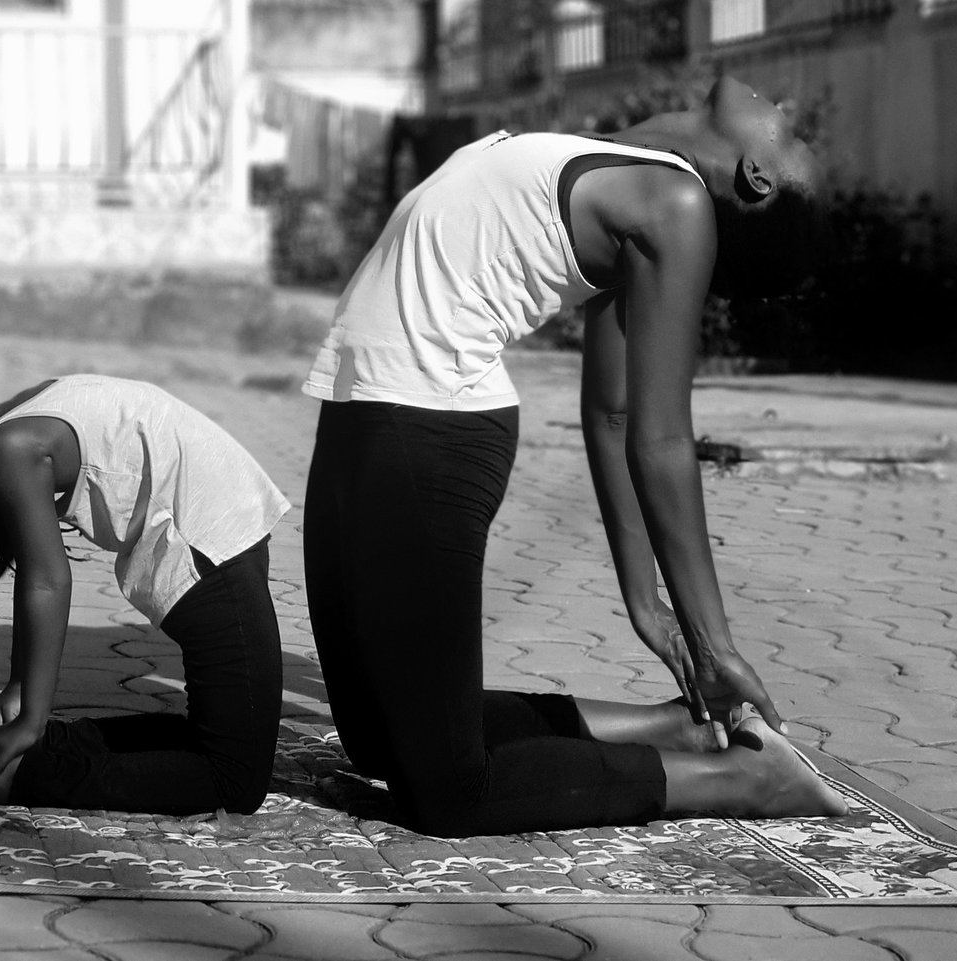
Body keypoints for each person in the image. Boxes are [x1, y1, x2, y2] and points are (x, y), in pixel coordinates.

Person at [301, 75, 848, 837]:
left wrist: (713, 641)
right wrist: (641, 598)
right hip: (365, 406)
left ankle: (744, 776)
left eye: (792, 138)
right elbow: (609, 410)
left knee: (449, 793)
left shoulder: (677, 206)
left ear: (756, 176)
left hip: (429, 427)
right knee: (371, 734)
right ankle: (680, 730)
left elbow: (659, 435)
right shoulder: (629, 169)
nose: (787, 107)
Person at [0, 374, 290, 816]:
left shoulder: (6, 432)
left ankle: (10, 746)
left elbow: (41, 578)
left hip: (213, 533)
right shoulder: (7, 445)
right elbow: (47, 579)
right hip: (209, 547)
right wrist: (28, 714)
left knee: (208, 740)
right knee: (234, 780)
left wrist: (22, 699)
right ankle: (17, 775)